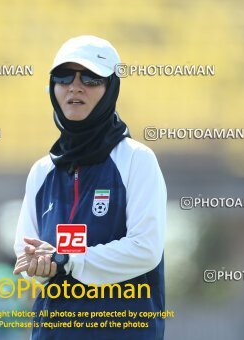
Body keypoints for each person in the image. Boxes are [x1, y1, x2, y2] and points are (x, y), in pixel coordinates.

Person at [14, 35, 167, 339]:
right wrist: (40, 264)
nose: (75, 86)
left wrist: (69, 259)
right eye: (64, 76)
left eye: (91, 78)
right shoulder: (41, 171)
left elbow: (146, 249)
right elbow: (25, 252)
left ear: (111, 88)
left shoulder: (137, 159)